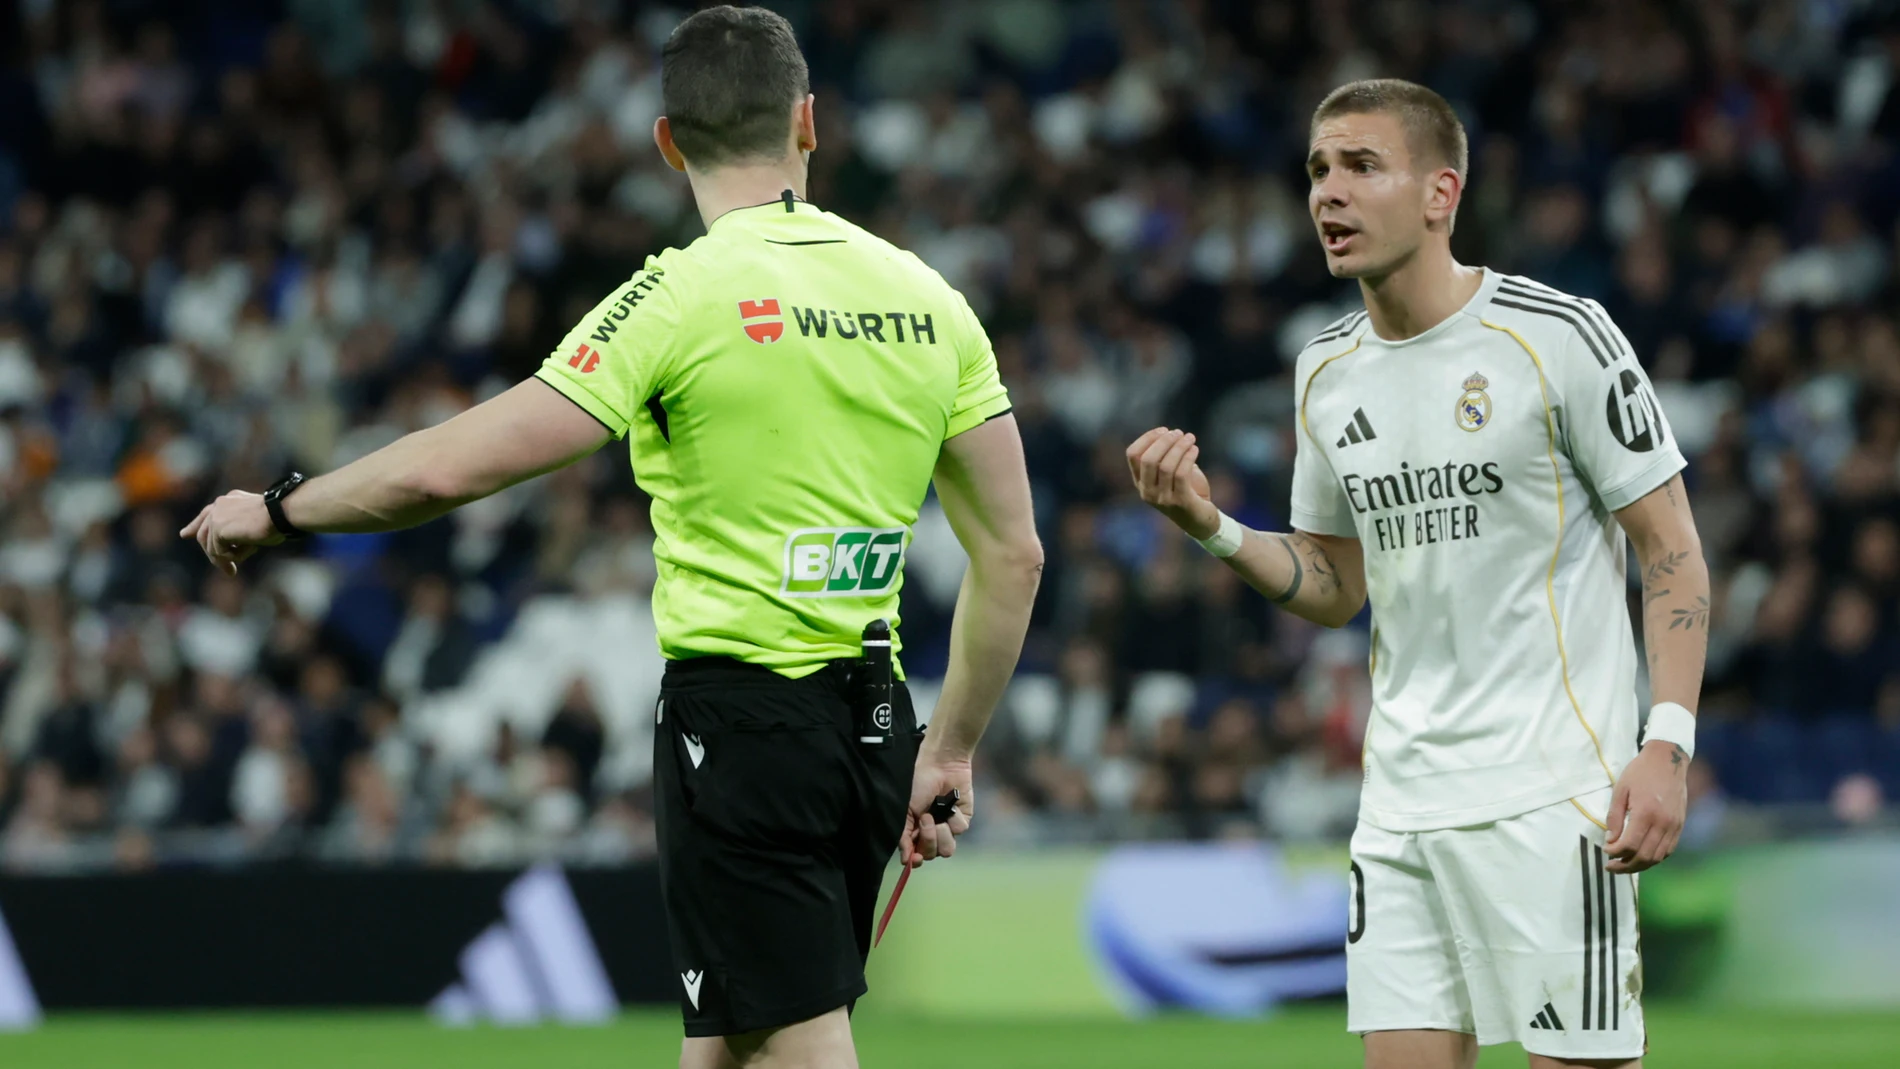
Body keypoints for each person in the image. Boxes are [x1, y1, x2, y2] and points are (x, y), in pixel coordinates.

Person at [180, 7, 1043, 1067]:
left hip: (741, 722)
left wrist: (276, 509)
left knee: (799, 1045)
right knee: (727, 1043)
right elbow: (1014, 553)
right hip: (874, 721)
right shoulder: (930, 300)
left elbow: (451, 466)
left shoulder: (676, 294)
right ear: (808, 123)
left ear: (667, 141)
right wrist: (947, 747)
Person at [1127, 79, 1707, 1069]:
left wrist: (1667, 745)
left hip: (1552, 793)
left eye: (1360, 166)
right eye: (1317, 170)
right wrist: (1210, 524)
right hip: (1399, 802)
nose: (1327, 195)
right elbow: (1332, 583)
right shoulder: (1324, 371)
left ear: (1441, 194)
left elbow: (1672, 551)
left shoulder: (1557, 335)